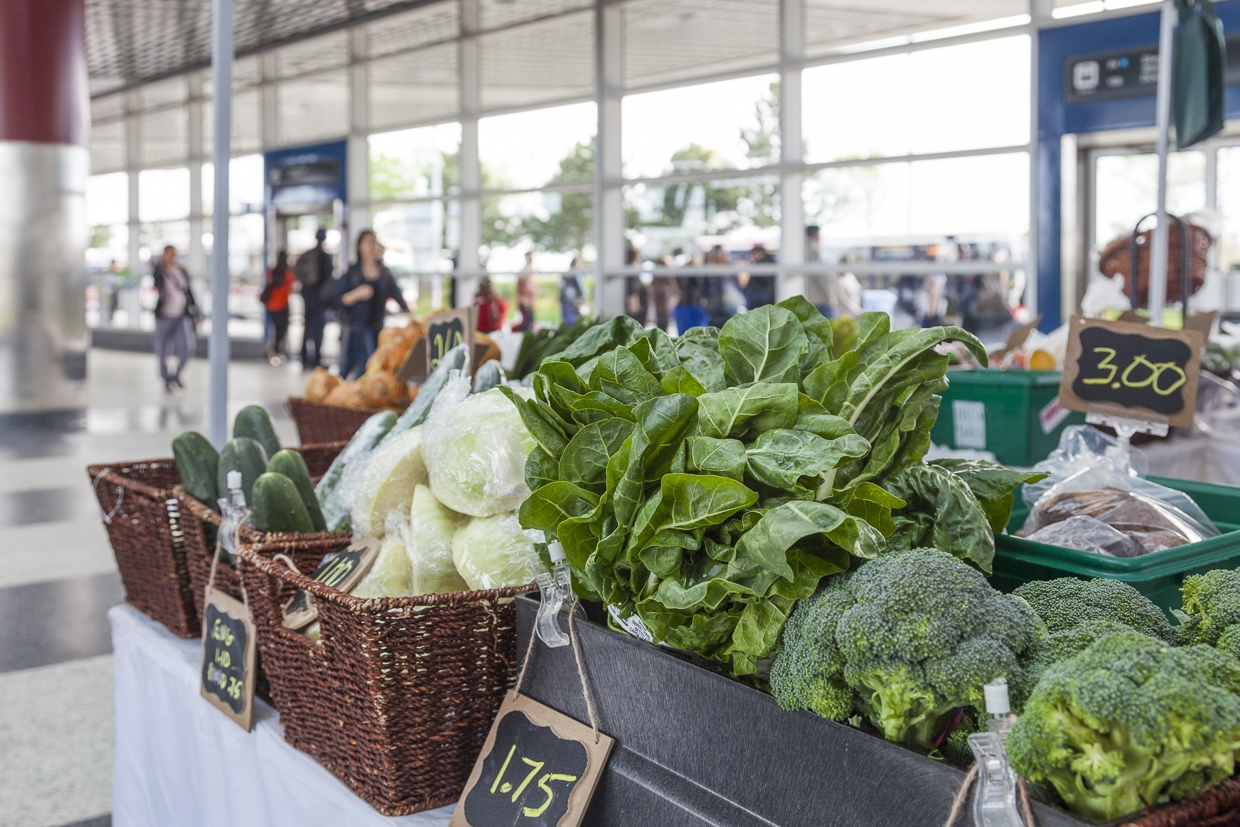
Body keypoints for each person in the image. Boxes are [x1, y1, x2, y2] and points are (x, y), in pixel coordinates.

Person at [333, 229, 409, 379]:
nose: (372, 245)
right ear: (359, 246)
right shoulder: (352, 272)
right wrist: (357, 294)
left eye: (374, 241)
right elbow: (338, 298)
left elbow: (397, 294)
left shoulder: (383, 272)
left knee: (372, 368)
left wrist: (409, 313)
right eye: (368, 241)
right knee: (351, 369)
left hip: (377, 329)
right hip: (355, 332)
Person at [152, 245, 200, 392]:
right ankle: (165, 378)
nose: (172, 257)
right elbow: (157, 283)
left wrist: (196, 309)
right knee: (162, 349)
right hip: (164, 315)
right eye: (169, 254)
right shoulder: (160, 271)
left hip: (181, 315)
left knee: (187, 347)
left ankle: (177, 374)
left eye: (174, 254)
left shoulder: (181, 271)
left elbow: (188, 292)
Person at [295, 228, 334, 369]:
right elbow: (330, 279)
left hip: (311, 296)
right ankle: (313, 358)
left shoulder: (309, 255)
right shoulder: (323, 257)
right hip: (316, 298)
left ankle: (307, 358)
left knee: (309, 328)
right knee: (316, 328)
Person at [262, 251, 294, 364]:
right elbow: (292, 285)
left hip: (272, 305)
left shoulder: (272, 271)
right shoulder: (286, 272)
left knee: (275, 329)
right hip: (282, 305)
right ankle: (275, 350)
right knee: (281, 330)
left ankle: (274, 350)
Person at [743, 244, 777, 309]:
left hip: (761, 300)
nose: (752, 257)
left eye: (753, 254)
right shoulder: (772, 262)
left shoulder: (761, 265)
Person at [624, 246, 648, 325]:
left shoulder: (634, 276)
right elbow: (633, 306)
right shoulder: (631, 277)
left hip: (639, 315)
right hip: (636, 317)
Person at [515, 251, 536, 332]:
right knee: (527, 324)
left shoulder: (529, 270)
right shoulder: (525, 271)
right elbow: (524, 287)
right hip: (525, 301)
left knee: (529, 322)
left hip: (529, 301)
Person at [560, 257, 585, 326]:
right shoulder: (576, 273)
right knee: (574, 322)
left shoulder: (566, 274)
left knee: (567, 322)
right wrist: (583, 298)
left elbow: (561, 287)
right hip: (574, 302)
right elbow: (580, 289)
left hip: (566, 301)